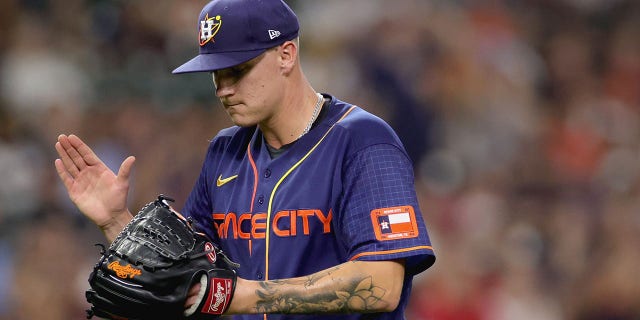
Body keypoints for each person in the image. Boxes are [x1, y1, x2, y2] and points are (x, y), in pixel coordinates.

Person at [54, 0, 435, 319]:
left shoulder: (363, 142)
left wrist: (246, 295)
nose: (224, 89)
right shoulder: (224, 151)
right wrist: (117, 221)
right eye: (216, 74)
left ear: (286, 54)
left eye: (238, 70)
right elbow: (187, 276)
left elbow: (382, 283)